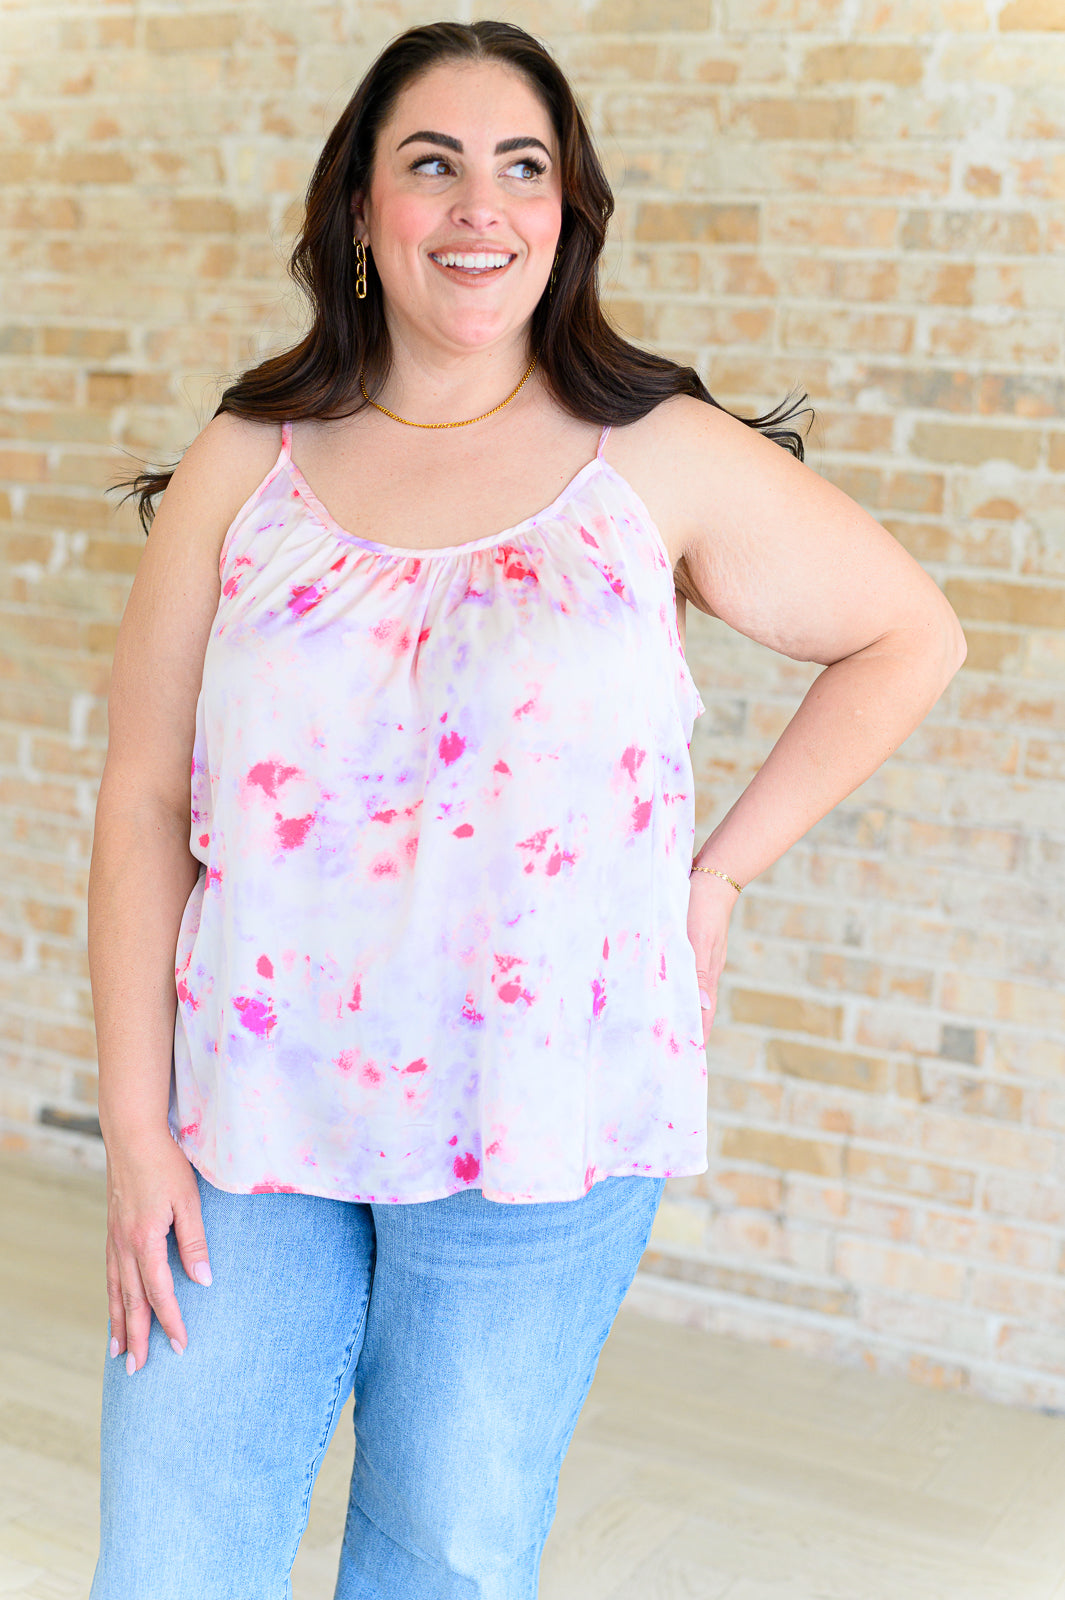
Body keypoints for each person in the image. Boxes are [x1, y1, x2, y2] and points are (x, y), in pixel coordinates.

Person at [86, 18, 966, 1599]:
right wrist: (136, 1132)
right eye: (432, 165)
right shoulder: (244, 461)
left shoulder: (656, 457)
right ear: (361, 208)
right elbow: (144, 799)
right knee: (170, 1556)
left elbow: (908, 635)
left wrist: (717, 880)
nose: (478, 206)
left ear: (567, 212)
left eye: (521, 168)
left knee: (447, 1554)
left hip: (540, 1112)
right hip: (247, 1110)